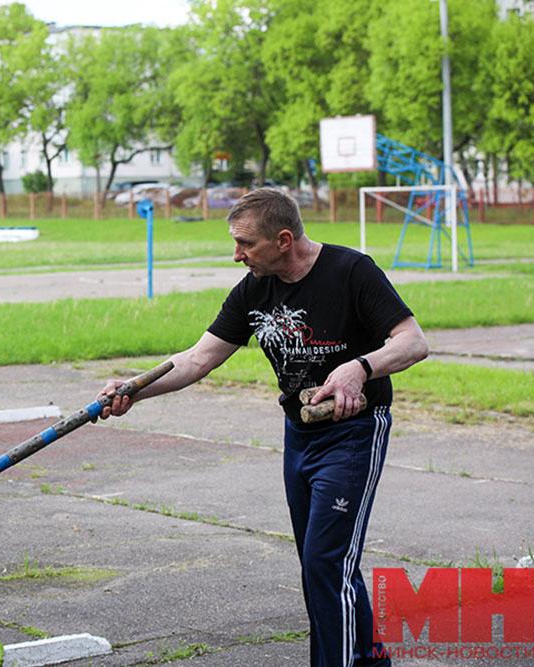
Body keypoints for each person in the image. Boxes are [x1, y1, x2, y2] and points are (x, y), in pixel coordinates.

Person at [99, 188, 428, 667]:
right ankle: (369, 660)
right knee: (326, 564)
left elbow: (413, 342)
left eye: (245, 244)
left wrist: (360, 367)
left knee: (325, 563)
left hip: (354, 434)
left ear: (283, 239)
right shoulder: (255, 289)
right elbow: (197, 359)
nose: (236, 255)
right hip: (300, 436)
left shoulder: (352, 271)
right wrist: (133, 389)